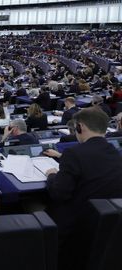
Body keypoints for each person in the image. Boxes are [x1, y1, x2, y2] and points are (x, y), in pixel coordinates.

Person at [42, 108, 122, 268]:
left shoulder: (74, 153)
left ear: (80, 127)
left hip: (76, 228)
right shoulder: (114, 152)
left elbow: (58, 193)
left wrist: (51, 176)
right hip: (106, 224)